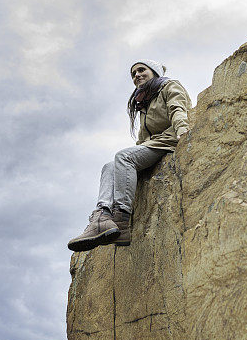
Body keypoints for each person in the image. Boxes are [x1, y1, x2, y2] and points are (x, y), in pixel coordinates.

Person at [67, 60, 191, 251]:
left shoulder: (169, 86)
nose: (137, 75)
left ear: (155, 72)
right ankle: (103, 216)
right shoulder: (144, 101)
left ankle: (121, 218)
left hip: (168, 140)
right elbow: (144, 139)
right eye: (133, 74)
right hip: (152, 144)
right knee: (109, 166)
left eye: (142, 70)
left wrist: (183, 131)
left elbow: (178, 109)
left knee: (123, 157)